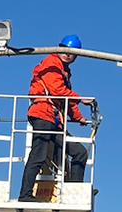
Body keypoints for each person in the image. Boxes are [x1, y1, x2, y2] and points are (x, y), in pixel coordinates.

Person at [18, 35, 94, 202]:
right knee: (39, 154)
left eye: (71, 52)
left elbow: (66, 101)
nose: (68, 54)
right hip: (42, 113)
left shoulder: (64, 71)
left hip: (54, 119)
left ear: (76, 56)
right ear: (59, 48)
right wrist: (80, 98)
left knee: (79, 152)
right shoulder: (51, 63)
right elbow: (57, 90)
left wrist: (79, 117)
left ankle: (73, 194)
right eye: (65, 50)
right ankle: (24, 195)